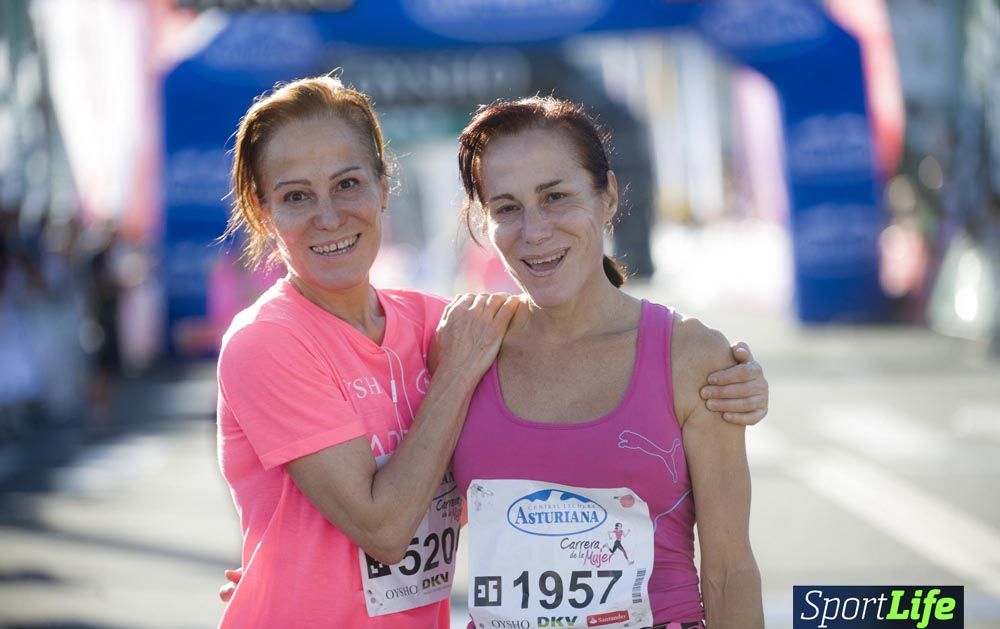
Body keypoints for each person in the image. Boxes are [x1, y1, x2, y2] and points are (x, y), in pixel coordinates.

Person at [215, 76, 767, 627]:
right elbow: (386, 529)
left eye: (347, 184)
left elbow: (492, 501)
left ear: (383, 188)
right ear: (262, 212)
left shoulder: (438, 326)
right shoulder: (447, 346)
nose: (329, 216)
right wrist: (280, 573)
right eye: (295, 196)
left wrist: (736, 377)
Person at [451, 97, 764, 628]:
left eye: (555, 197)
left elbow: (729, 571)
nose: (534, 230)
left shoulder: (692, 357)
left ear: (608, 196)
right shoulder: (460, 346)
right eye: (507, 208)